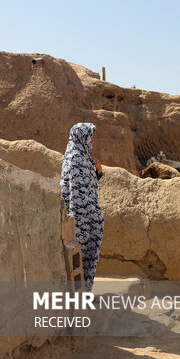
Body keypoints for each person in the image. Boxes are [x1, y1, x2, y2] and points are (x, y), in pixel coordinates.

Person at [60, 123, 105, 292]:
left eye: (93, 136)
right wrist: (88, 217)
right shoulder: (75, 157)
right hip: (80, 218)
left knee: (89, 258)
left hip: (90, 216)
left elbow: (88, 183)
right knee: (81, 257)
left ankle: (86, 292)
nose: (92, 140)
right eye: (90, 136)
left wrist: (98, 170)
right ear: (81, 136)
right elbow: (76, 192)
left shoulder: (85, 156)